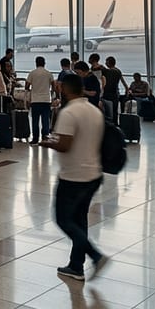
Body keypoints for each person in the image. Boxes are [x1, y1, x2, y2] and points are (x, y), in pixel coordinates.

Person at [40, 74, 108, 281]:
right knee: (80, 220)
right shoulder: (94, 111)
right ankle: (76, 266)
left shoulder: (69, 112)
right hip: (93, 174)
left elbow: (65, 144)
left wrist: (48, 143)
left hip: (73, 177)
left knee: (63, 219)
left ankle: (95, 255)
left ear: (66, 89)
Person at [25, 56, 54, 144]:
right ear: (44, 63)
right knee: (45, 120)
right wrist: (51, 94)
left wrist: (31, 92)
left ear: (36, 63)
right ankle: (45, 138)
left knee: (35, 120)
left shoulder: (32, 73)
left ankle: (35, 139)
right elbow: (54, 86)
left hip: (35, 100)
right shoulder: (48, 73)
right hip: (46, 100)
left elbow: (26, 86)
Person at [100, 57, 129, 121]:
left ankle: (109, 122)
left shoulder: (108, 71)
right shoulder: (118, 71)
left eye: (106, 62)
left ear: (109, 63)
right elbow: (123, 81)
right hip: (115, 93)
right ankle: (115, 123)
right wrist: (127, 90)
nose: (105, 63)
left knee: (107, 110)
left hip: (108, 94)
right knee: (114, 110)